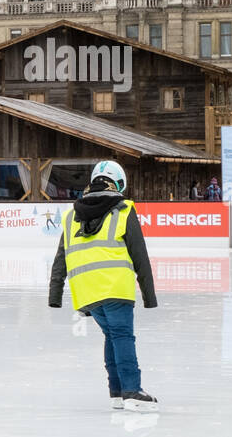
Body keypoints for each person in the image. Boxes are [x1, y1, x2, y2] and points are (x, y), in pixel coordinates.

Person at [48, 161, 158, 411]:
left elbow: (59, 259)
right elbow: (139, 254)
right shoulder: (123, 210)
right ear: (119, 184)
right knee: (122, 336)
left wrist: (55, 295)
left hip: (85, 290)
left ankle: (117, 392)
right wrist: (149, 296)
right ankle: (132, 391)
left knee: (111, 335)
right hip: (115, 286)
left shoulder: (70, 216)